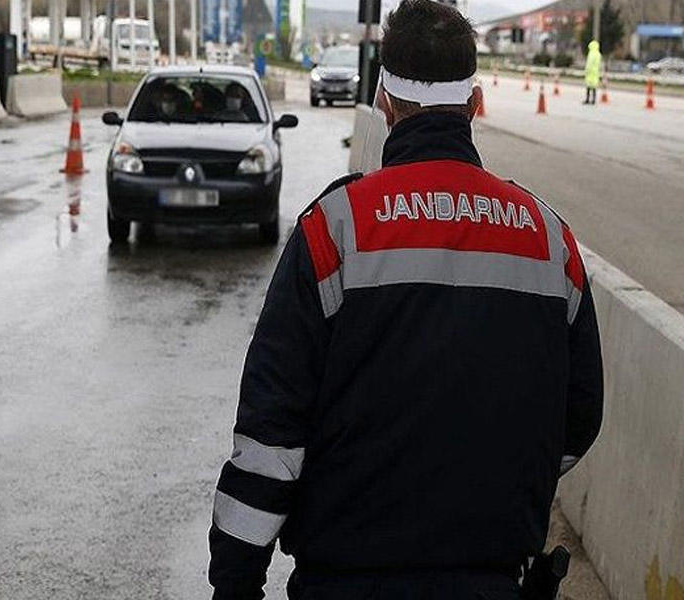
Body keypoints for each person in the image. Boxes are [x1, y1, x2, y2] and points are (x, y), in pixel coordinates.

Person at [208, 1, 604, 599]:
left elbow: (271, 438)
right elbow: (578, 420)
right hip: (496, 581)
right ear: (474, 105)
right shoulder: (551, 240)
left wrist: (235, 583)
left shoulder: (333, 230)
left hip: (345, 581)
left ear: (384, 103)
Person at [584, 40, 602, 105]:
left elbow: (589, 63)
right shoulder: (598, 54)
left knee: (588, 86)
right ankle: (594, 100)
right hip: (596, 72)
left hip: (590, 72)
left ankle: (587, 99)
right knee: (594, 87)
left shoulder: (591, 53)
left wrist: (586, 71)